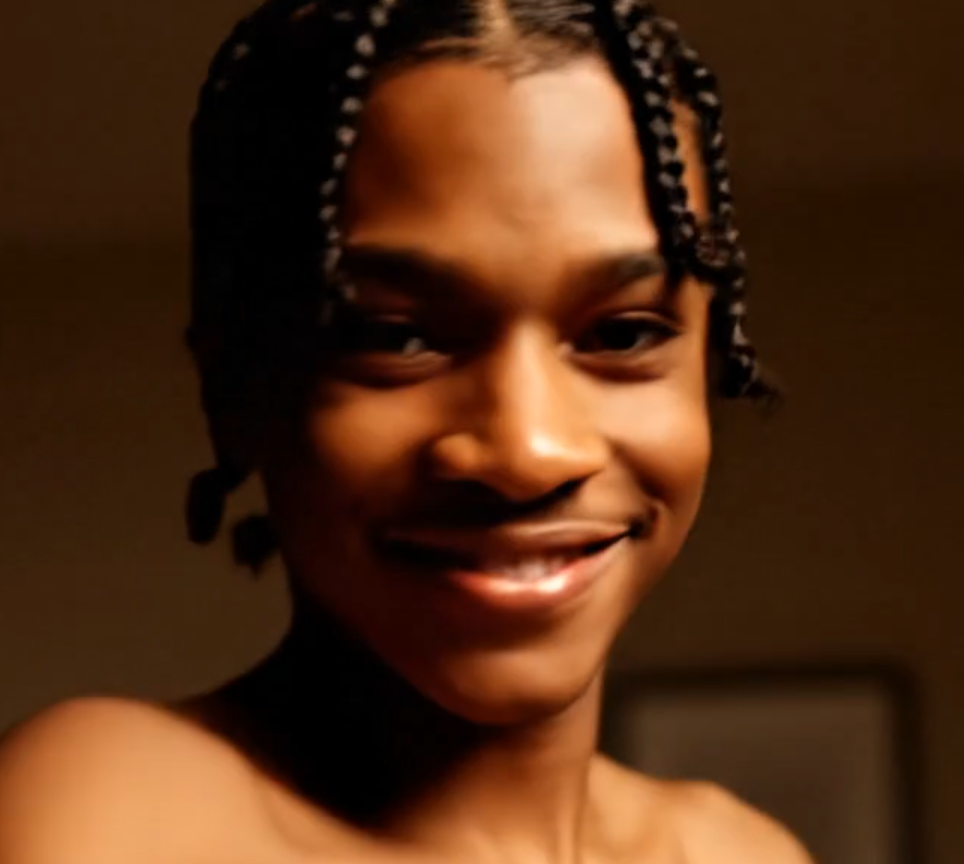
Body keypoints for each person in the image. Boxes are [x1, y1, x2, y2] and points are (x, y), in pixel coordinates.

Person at [0, 1, 812, 862]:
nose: (527, 452)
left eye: (622, 333)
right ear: (236, 387)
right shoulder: (111, 813)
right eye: (396, 339)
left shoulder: (740, 851)